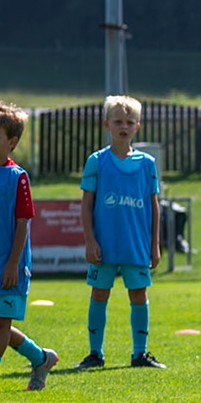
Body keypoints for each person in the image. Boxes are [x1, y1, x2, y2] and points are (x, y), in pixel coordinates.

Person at [0, 101, 59, 395]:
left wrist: (13, 264)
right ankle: (41, 358)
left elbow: (23, 223)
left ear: (12, 143)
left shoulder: (18, 178)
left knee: (1, 325)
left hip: (10, 265)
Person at [77, 96, 165, 369]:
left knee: (138, 295)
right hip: (104, 245)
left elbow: (154, 206)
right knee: (99, 294)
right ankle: (95, 354)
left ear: (138, 126)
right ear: (106, 124)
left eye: (129, 122)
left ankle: (140, 354)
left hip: (135, 244)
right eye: (118, 122)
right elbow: (86, 205)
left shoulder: (147, 164)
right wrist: (90, 240)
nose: (123, 127)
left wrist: (155, 245)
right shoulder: (96, 161)